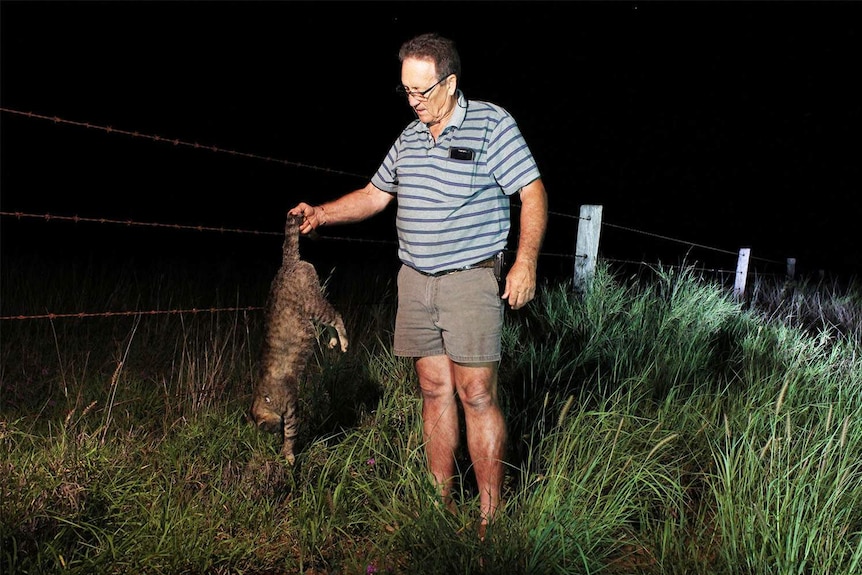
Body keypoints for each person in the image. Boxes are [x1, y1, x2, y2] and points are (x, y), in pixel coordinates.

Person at [289, 32, 548, 535]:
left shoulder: (493, 124)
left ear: (450, 83)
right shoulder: (409, 137)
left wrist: (526, 263)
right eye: (406, 92)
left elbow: (532, 194)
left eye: (422, 92)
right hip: (415, 281)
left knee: (476, 392)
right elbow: (374, 194)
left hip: (470, 279)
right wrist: (322, 213)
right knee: (433, 389)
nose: (413, 103)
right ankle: (439, 505)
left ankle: (491, 517)